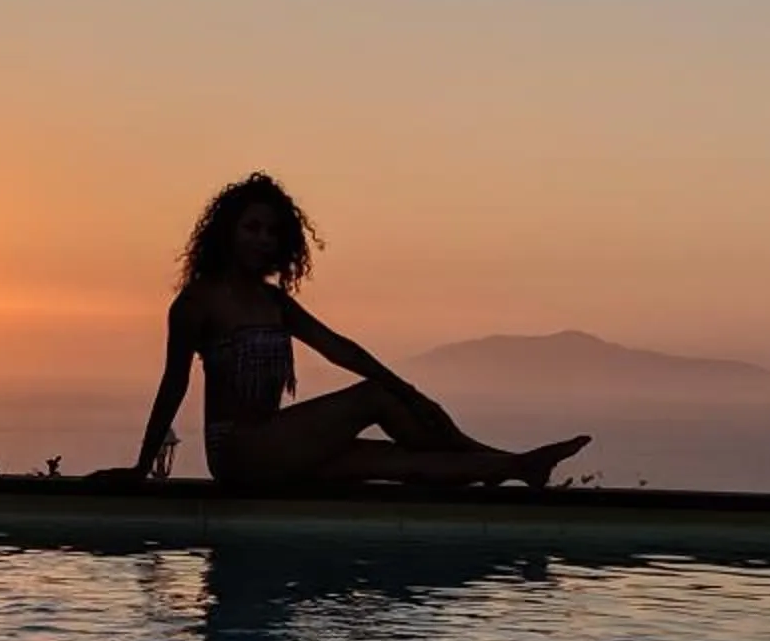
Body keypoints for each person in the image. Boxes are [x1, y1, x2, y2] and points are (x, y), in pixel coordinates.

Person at [104, 173, 589, 489]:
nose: (262, 239)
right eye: (252, 228)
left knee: (402, 464)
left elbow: (339, 349)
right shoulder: (197, 304)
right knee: (373, 398)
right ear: (227, 232)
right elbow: (174, 384)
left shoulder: (274, 302)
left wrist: (413, 395)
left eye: (272, 232)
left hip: (283, 448)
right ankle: (506, 459)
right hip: (241, 453)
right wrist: (142, 468)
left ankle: (519, 467)